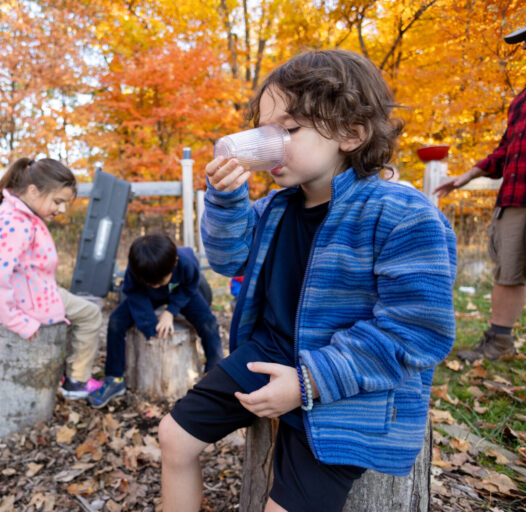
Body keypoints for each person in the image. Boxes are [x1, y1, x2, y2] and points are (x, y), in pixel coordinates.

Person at [158, 49, 457, 512]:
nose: (270, 143)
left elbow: (419, 330)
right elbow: (226, 256)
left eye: (290, 130)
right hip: (271, 354)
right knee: (173, 436)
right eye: (264, 130)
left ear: (352, 134)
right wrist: (225, 199)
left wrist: (306, 383)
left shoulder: (402, 213)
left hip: (351, 387)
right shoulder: (275, 209)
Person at [434, 10, 526, 363]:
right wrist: (469, 175)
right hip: (517, 198)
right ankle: (499, 343)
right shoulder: (524, 97)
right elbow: (507, 148)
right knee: (508, 271)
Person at [0, 157, 102, 399]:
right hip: (26, 304)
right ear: (33, 192)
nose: (62, 209)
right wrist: (15, 321)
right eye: (58, 201)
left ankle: (73, 374)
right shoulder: (14, 223)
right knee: (90, 314)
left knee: (88, 312)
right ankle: (77, 380)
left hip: (36, 294)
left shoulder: (20, 216)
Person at [88, 233, 224, 408]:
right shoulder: (136, 267)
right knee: (115, 321)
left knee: (208, 322)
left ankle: (214, 372)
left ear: (174, 262)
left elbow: (190, 286)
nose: (155, 285)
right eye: (150, 282)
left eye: (159, 282)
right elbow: (133, 294)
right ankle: (114, 378)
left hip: (180, 293)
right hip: (145, 297)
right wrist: (149, 326)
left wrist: (170, 311)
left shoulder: (186, 261)